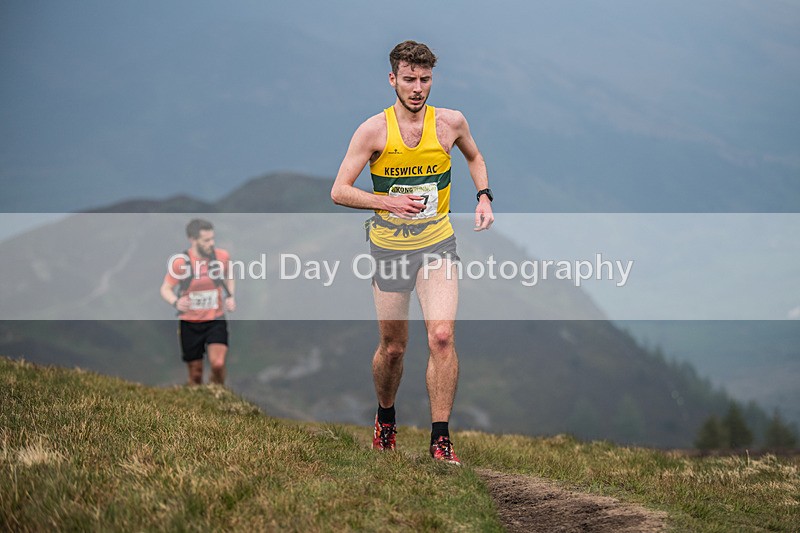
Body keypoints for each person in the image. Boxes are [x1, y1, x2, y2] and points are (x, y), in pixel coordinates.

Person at [331, 40, 494, 465]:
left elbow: (475, 157)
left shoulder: (451, 123)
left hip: (437, 244)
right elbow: (339, 190)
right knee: (394, 348)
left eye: (424, 80)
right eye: (409, 80)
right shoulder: (373, 131)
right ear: (393, 80)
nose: (417, 88)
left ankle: (441, 440)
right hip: (388, 248)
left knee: (441, 337)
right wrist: (387, 202)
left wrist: (484, 196)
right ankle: (386, 418)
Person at [160, 218, 236, 385]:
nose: (211, 243)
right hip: (190, 322)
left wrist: (230, 295)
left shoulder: (221, 257)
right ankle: (197, 402)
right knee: (195, 373)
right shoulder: (181, 263)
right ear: (193, 239)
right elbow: (165, 289)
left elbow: (229, 275)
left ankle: (218, 391)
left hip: (215, 318)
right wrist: (176, 302)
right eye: (206, 240)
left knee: (218, 364)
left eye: (213, 239)